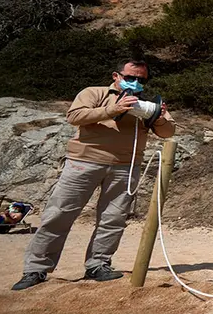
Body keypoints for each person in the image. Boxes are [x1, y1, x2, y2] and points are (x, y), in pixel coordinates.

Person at [11, 60, 176, 291]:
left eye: (142, 79)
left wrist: (158, 116)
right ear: (116, 76)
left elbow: (169, 131)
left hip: (125, 167)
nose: (136, 82)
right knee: (59, 214)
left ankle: (98, 265)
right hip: (83, 162)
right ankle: (35, 269)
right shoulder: (94, 93)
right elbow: (74, 116)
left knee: (114, 219)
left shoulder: (146, 104)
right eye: (131, 77)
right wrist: (112, 110)